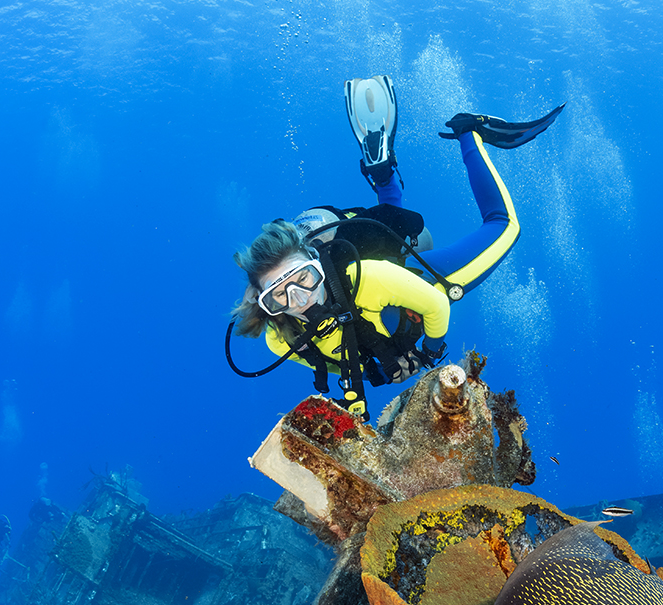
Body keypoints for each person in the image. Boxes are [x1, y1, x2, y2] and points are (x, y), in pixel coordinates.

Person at [228, 76, 564, 418]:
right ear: (264, 304)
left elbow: (435, 305)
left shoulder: (370, 277)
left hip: (399, 269)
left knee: (503, 226)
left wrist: (430, 353)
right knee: (392, 233)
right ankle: (382, 170)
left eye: (304, 278)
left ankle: (469, 132)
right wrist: (375, 366)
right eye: (279, 296)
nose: (300, 299)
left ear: (318, 263)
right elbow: (333, 359)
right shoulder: (279, 338)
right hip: (377, 289)